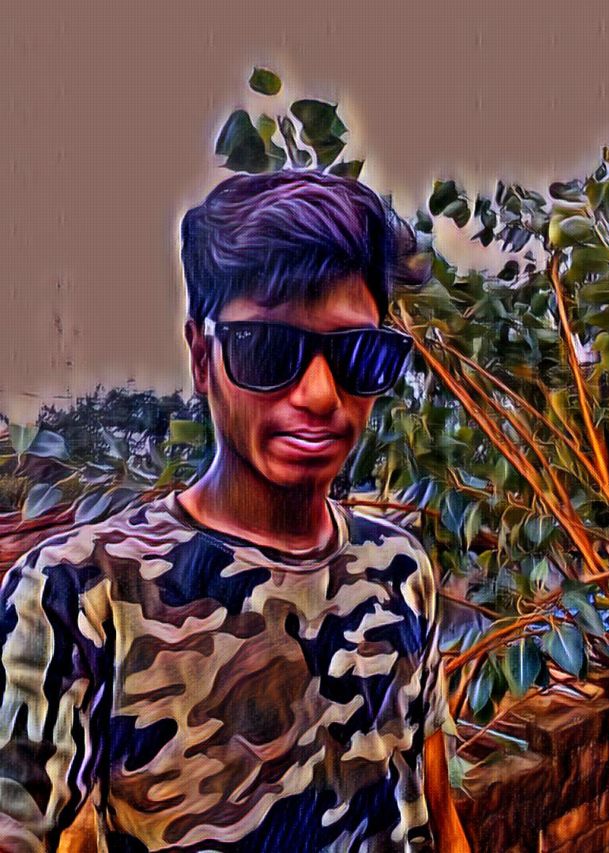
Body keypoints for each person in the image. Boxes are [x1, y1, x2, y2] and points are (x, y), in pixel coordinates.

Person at [0, 169, 469, 851]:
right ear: (201, 357)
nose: (318, 394)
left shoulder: (400, 568)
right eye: (268, 349)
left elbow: (435, 807)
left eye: (359, 355)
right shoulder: (81, 595)